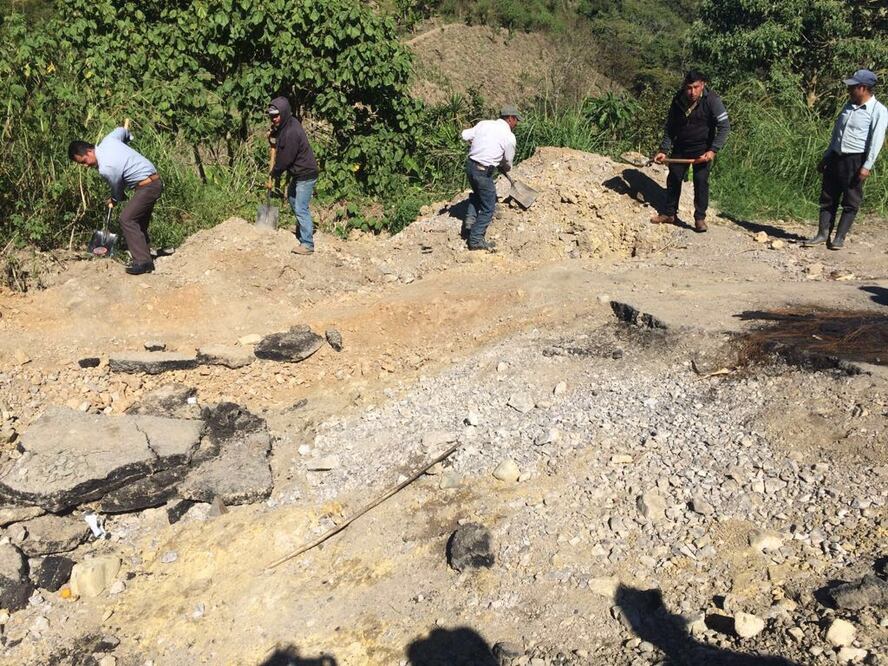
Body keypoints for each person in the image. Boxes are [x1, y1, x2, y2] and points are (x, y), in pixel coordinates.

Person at [804, 69, 886, 250]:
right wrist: (827, 156)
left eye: (853, 87)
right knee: (827, 197)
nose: (849, 90)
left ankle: (839, 238)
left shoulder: (878, 111)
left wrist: (867, 166)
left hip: (855, 160)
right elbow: (836, 135)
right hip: (836, 156)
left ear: (863, 88)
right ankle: (822, 234)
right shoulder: (848, 106)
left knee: (850, 201)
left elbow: (876, 141)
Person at [68, 126, 162, 275]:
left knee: (127, 219)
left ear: (89, 151)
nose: (86, 166)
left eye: (84, 161)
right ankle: (146, 254)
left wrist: (114, 199)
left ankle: (143, 262)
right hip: (151, 183)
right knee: (138, 222)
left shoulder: (106, 167)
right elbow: (122, 130)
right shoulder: (109, 140)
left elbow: (117, 187)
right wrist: (126, 139)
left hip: (148, 187)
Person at [651, 70, 730, 232]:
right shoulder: (678, 99)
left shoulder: (712, 100)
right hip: (681, 147)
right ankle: (669, 214)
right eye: (688, 88)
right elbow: (670, 126)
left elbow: (724, 126)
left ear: (703, 85)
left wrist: (712, 151)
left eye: (696, 87)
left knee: (701, 181)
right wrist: (664, 149)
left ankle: (700, 218)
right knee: (674, 178)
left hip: (702, 149)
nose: (692, 92)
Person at [460, 105, 520, 251]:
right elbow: (508, 162)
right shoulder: (509, 137)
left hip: (470, 166)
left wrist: (480, 146)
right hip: (483, 171)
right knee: (489, 207)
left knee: (478, 193)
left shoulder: (484, 124)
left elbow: (464, 135)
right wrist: (503, 166)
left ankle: (469, 222)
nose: (516, 124)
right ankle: (475, 240)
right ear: (510, 118)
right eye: (516, 120)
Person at [268, 97, 319, 255]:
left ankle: (307, 244)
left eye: (276, 116)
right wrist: (274, 134)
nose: (274, 119)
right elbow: (280, 136)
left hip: (306, 173)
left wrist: (275, 172)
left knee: (301, 207)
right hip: (299, 173)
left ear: (283, 113)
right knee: (291, 197)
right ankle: (303, 227)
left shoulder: (291, 132)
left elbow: (285, 159)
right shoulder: (289, 123)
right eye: (271, 116)